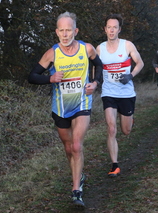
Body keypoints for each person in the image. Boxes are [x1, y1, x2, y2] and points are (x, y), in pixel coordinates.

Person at [28, 12, 102, 208]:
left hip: (82, 103)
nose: (65, 34)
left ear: (75, 31)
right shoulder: (52, 53)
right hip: (60, 107)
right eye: (61, 30)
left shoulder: (87, 49)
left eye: (68, 30)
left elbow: (98, 65)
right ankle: (80, 175)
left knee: (77, 146)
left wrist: (95, 83)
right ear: (56, 32)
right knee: (69, 148)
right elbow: (32, 76)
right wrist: (49, 79)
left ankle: (76, 190)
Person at [96, 14, 144, 177]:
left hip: (126, 93)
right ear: (105, 29)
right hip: (108, 93)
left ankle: (129, 119)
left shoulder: (127, 45)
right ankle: (114, 165)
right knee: (111, 128)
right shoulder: (100, 48)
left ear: (119, 29)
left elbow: (140, 63)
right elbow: (96, 67)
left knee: (126, 130)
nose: (111, 30)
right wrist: (95, 81)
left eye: (114, 27)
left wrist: (131, 75)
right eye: (109, 27)